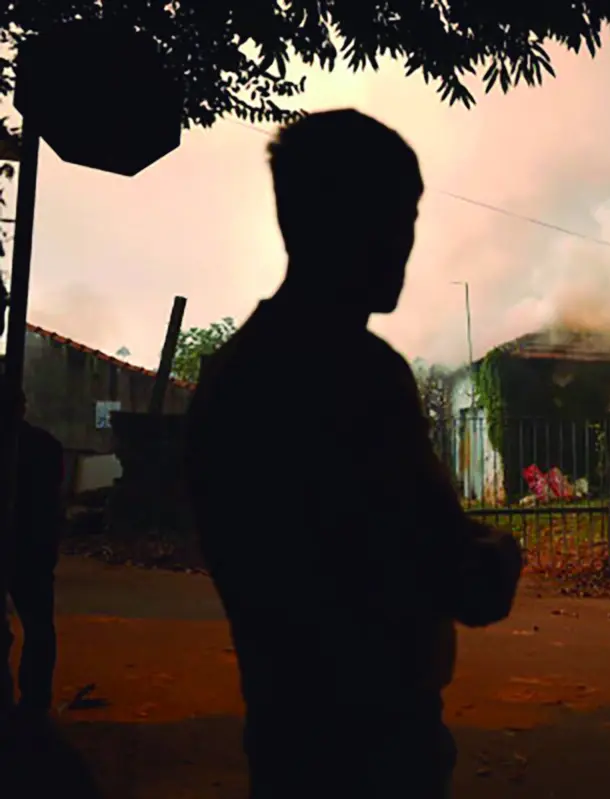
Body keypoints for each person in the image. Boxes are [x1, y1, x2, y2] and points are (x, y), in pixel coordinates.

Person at [184, 109, 523, 799]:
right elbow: (457, 576)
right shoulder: (359, 374)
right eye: (396, 216)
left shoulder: (235, 373)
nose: (404, 242)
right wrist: (499, 552)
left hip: (285, 733)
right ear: (335, 221)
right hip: (376, 747)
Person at [1, 388, 65, 722]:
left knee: (35, 628)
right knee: (39, 627)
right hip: (33, 548)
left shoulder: (36, 446)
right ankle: (35, 700)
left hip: (27, 546)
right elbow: (52, 503)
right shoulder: (45, 446)